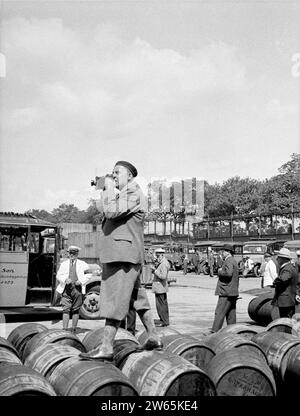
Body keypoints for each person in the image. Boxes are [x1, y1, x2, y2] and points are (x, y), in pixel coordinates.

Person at [80, 160, 162, 361]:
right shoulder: (122, 195)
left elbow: (110, 212)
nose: (113, 175)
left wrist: (107, 188)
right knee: (137, 299)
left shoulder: (133, 193)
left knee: (115, 301)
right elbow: (106, 209)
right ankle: (153, 336)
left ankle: (106, 347)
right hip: (123, 255)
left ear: (130, 176)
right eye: (112, 173)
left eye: (117, 172)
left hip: (122, 256)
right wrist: (106, 190)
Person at [56, 246, 89, 333]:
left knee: (76, 310)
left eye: (74, 253)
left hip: (77, 290)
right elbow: (58, 275)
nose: (72, 255)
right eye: (70, 253)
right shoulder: (64, 264)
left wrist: (81, 281)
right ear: (68, 254)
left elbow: (89, 274)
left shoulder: (83, 264)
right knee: (65, 309)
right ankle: (65, 330)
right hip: (66, 290)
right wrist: (65, 279)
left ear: (77, 254)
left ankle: (73, 329)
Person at [211, 243, 239, 332]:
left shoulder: (228, 261)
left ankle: (214, 331)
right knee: (231, 314)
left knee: (220, 312)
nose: (222, 253)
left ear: (227, 252)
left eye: (223, 251)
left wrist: (220, 271)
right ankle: (233, 331)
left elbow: (228, 273)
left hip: (226, 291)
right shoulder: (233, 260)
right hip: (232, 291)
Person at [271, 247, 300, 318]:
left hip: (286, 301)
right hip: (289, 299)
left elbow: (283, 279)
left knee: (286, 320)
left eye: (279, 257)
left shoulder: (287, 269)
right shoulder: (291, 267)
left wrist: (275, 282)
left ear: (282, 259)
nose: (277, 259)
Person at [151, 248, 170, 327]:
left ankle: (164, 321)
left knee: (161, 306)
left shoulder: (164, 264)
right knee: (162, 305)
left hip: (160, 288)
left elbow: (163, 276)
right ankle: (163, 319)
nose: (157, 257)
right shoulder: (162, 262)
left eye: (158, 256)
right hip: (160, 288)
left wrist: (155, 271)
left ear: (162, 255)